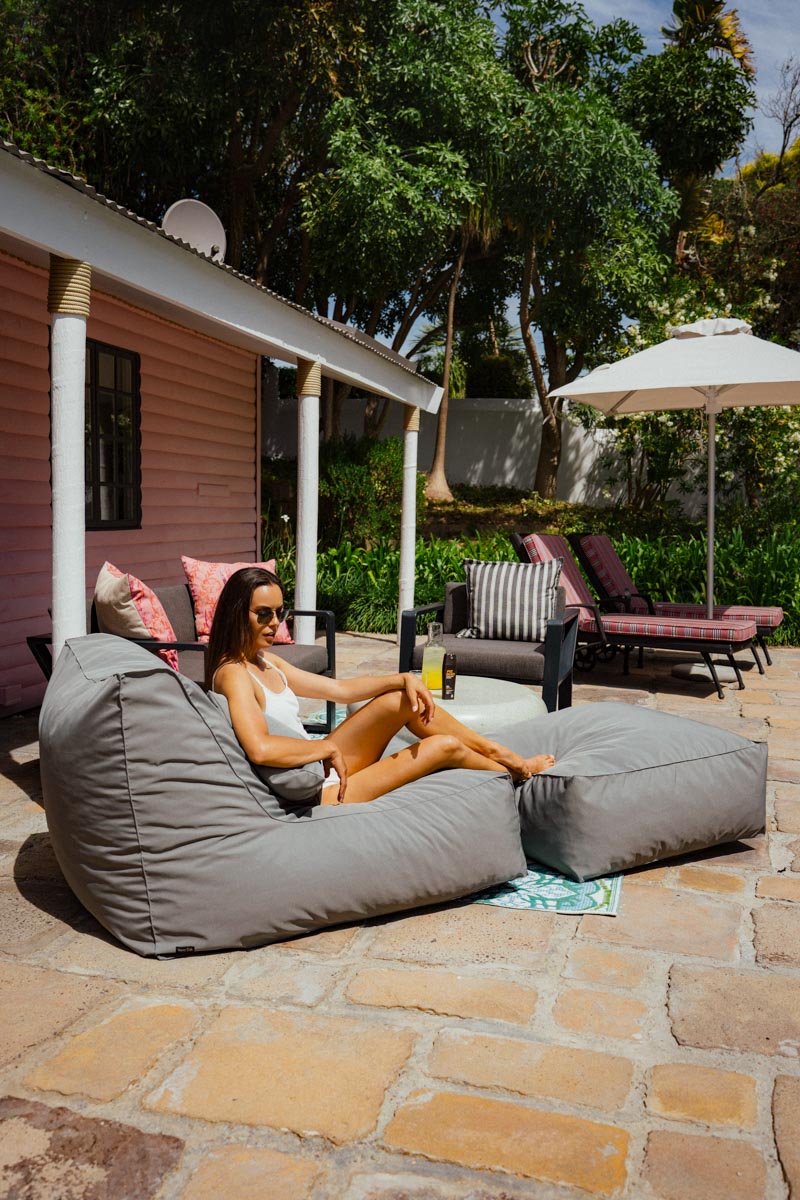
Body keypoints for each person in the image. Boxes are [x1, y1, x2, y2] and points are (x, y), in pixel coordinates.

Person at [206, 567, 555, 806]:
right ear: (238, 613)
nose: (274, 623)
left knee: (399, 700)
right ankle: (517, 774)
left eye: (280, 613)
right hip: (312, 792)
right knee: (442, 747)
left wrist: (401, 678)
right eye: (262, 614)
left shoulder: (264, 661)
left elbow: (341, 691)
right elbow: (261, 750)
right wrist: (324, 750)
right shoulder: (234, 673)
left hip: (314, 766)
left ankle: (498, 753)